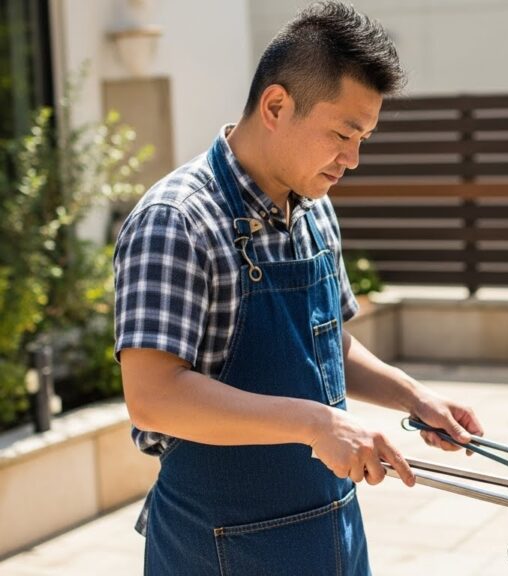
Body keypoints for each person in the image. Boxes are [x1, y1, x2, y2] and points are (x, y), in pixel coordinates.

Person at [113, 3, 483, 574]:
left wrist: (413, 396)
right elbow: (154, 397)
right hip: (217, 546)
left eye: (364, 138)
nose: (353, 160)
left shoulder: (315, 209)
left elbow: (326, 342)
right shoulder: (177, 219)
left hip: (330, 531)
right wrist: (316, 423)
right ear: (277, 106)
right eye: (343, 133)